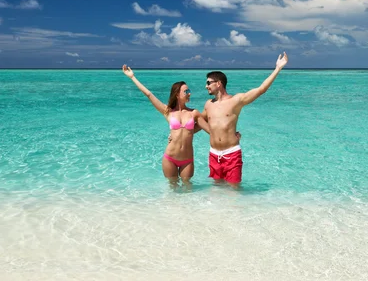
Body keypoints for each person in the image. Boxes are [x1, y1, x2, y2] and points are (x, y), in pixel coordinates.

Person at [201, 52, 288, 187]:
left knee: (234, 191)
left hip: (231, 153)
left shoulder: (236, 100)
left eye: (208, 83)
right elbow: (198, 122)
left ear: (218, 83)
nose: (206, 86)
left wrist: (277, 68)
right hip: (213, 154)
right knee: (216, 190)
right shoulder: (208, 104)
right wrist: (178, 134)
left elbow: (261, 89)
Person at [122, 65, 209, 184]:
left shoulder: (194, 113)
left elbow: (210, 130)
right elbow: (149, 94)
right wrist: (132, 77)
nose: (189, 93)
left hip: (187, 160)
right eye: (186, 91)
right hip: (170, 158)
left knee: (188, 190)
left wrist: (231, 134)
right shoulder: (168, 111)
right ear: (177, 94)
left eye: (189, 91)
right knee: (172, 189)